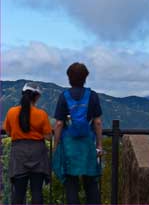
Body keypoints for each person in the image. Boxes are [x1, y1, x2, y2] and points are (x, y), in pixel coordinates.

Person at [52, 62, 103, 204]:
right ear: (85, 77)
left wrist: (56, 145)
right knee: (91, 182)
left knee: (71, 185)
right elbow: (98, 122)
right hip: (88, 145)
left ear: (69, 77)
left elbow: (59, 123)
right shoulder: (92, 96)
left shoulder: (64, 96)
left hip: (69, 146)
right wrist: (99, 144)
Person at [2, 82, 52, 204]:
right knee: (37, 192)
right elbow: (48, 136)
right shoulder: (42, 114)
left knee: (18, 193)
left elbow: (8, 132)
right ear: (37, 97)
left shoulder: (11, 112)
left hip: (19, 153)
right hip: (38, 153)